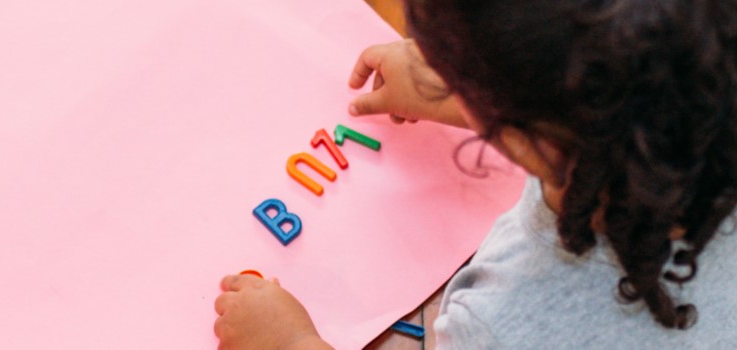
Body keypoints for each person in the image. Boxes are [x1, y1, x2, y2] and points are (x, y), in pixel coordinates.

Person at [213, 0, 737, 348]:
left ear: (530, 137)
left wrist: (295, 345)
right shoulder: (684, 119)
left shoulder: (499, 324)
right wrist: (464, 92)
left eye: (459, 67)